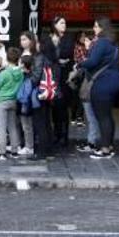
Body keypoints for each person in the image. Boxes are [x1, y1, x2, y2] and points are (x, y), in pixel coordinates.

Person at [81, 17, 119, 159]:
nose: (94, 29)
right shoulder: (113, 43)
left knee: (102, 117)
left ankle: (105, 149)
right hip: (114, 81)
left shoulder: (101, 42)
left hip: (102, 83)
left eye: (96, 26)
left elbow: (92, 62)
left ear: (102, 28)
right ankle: (109, 146)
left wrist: (80, 63)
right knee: (108, 116)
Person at [0, 47, 24, 160]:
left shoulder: (4, 73)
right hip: (13, 101)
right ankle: (14, 151)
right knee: (12, 126)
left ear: (7, 58)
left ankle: (2, 152)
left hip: (2, 101)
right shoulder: (20, 73)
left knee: (1, 127)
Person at [32, 33, 59, 159]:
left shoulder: (40, 57)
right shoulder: (52, 58)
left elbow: (36, 77)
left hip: (40, 93)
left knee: (40, 123)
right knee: (47, 122)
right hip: (49, 93)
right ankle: (49, 150)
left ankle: (41, 152)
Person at [52, 17, 76, 148]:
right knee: (55, 108)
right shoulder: (50, 38)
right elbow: (49, 54)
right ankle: (56, 134)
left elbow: (67, 53)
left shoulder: (68, 38)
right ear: (54, 25)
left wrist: (58, 56)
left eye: (65, 22)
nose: (64, 25)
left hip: (65, 78)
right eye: (61, 23)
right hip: (54, 77)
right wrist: (58, 59)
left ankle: (64, 136)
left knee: (63, 107)